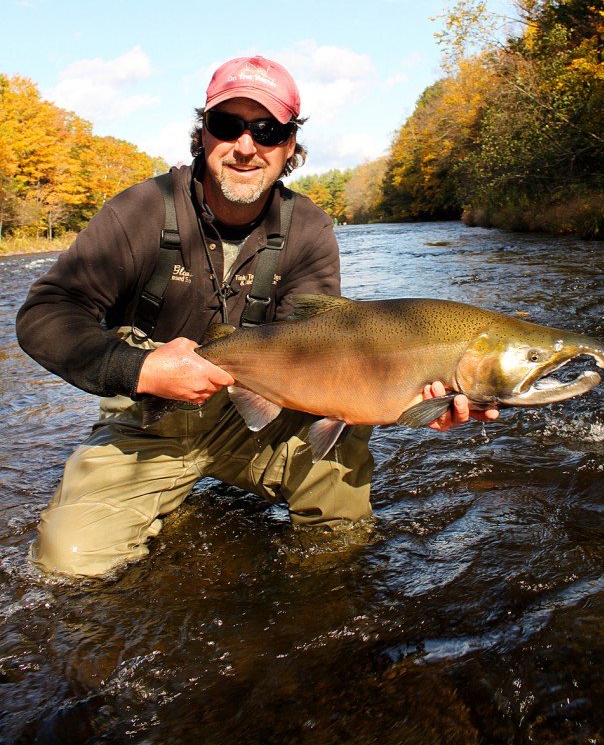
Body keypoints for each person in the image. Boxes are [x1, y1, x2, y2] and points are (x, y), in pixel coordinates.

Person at [16, 54, 497, 579]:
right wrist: (141, 370)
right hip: (147, 423)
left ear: (289, 146)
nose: (247, 146)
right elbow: (45, 313)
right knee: (67, 567)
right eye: (229, 125)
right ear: (203, 134)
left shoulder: (308, 229)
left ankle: (326, 586)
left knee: (346, 452)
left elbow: (321, 353)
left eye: (267, 130)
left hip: (253, 418)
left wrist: (415, 404)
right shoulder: (140, 211)